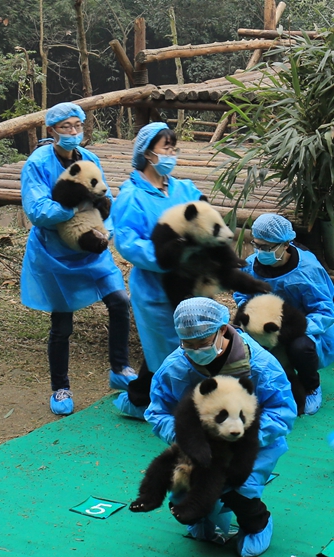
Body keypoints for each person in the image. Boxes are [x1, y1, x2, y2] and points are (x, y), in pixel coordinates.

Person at [146, 298, 296, 557]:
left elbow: (282, 412)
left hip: (251, 445)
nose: (194, 350)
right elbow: (158, 412)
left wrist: (241, 440)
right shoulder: (175, 367)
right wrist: (188, 439)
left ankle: (256, 522)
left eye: (202, 343)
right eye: (187, 344)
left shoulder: (260, 365)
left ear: (223, 330)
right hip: (197, 448)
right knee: (184, 499)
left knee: (236, 487)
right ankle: (203, 517)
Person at [19, 102, 134, 415]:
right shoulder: (38, 163)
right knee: (62, 324)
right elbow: (37, 210)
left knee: (120, 301)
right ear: (52, 130)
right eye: (66, 127)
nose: (72, 132)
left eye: (77, 126)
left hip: (91, 251)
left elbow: (105, 198)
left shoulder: (90, 158)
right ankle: (60, 387)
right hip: (55, 253)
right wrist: (72, 209)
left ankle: (120, 367)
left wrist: (105, 229)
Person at [111, 122, 205, 418]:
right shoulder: (132, 196)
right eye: (167, 148)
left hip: (188, 283)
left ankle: (144, 398)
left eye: (174, 149)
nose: (172, 154)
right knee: (164, 349)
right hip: (153, 287)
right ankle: (150, 404)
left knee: (188, 344)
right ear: (148, 153)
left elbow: (205, 216)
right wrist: (171, 256)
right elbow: (128, 243)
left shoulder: (182, 188)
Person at [233, 214, 332, 415]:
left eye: (267, 247)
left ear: (286, 244)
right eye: (257, 244)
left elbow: (325, 310)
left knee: (300, 348)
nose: (260, 251)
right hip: (264, 326)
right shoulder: (252, 265)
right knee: (244, 343)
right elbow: (241, 294)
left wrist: (291, 330)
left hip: (303, 327)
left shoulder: (307, 270)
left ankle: (311, 385)